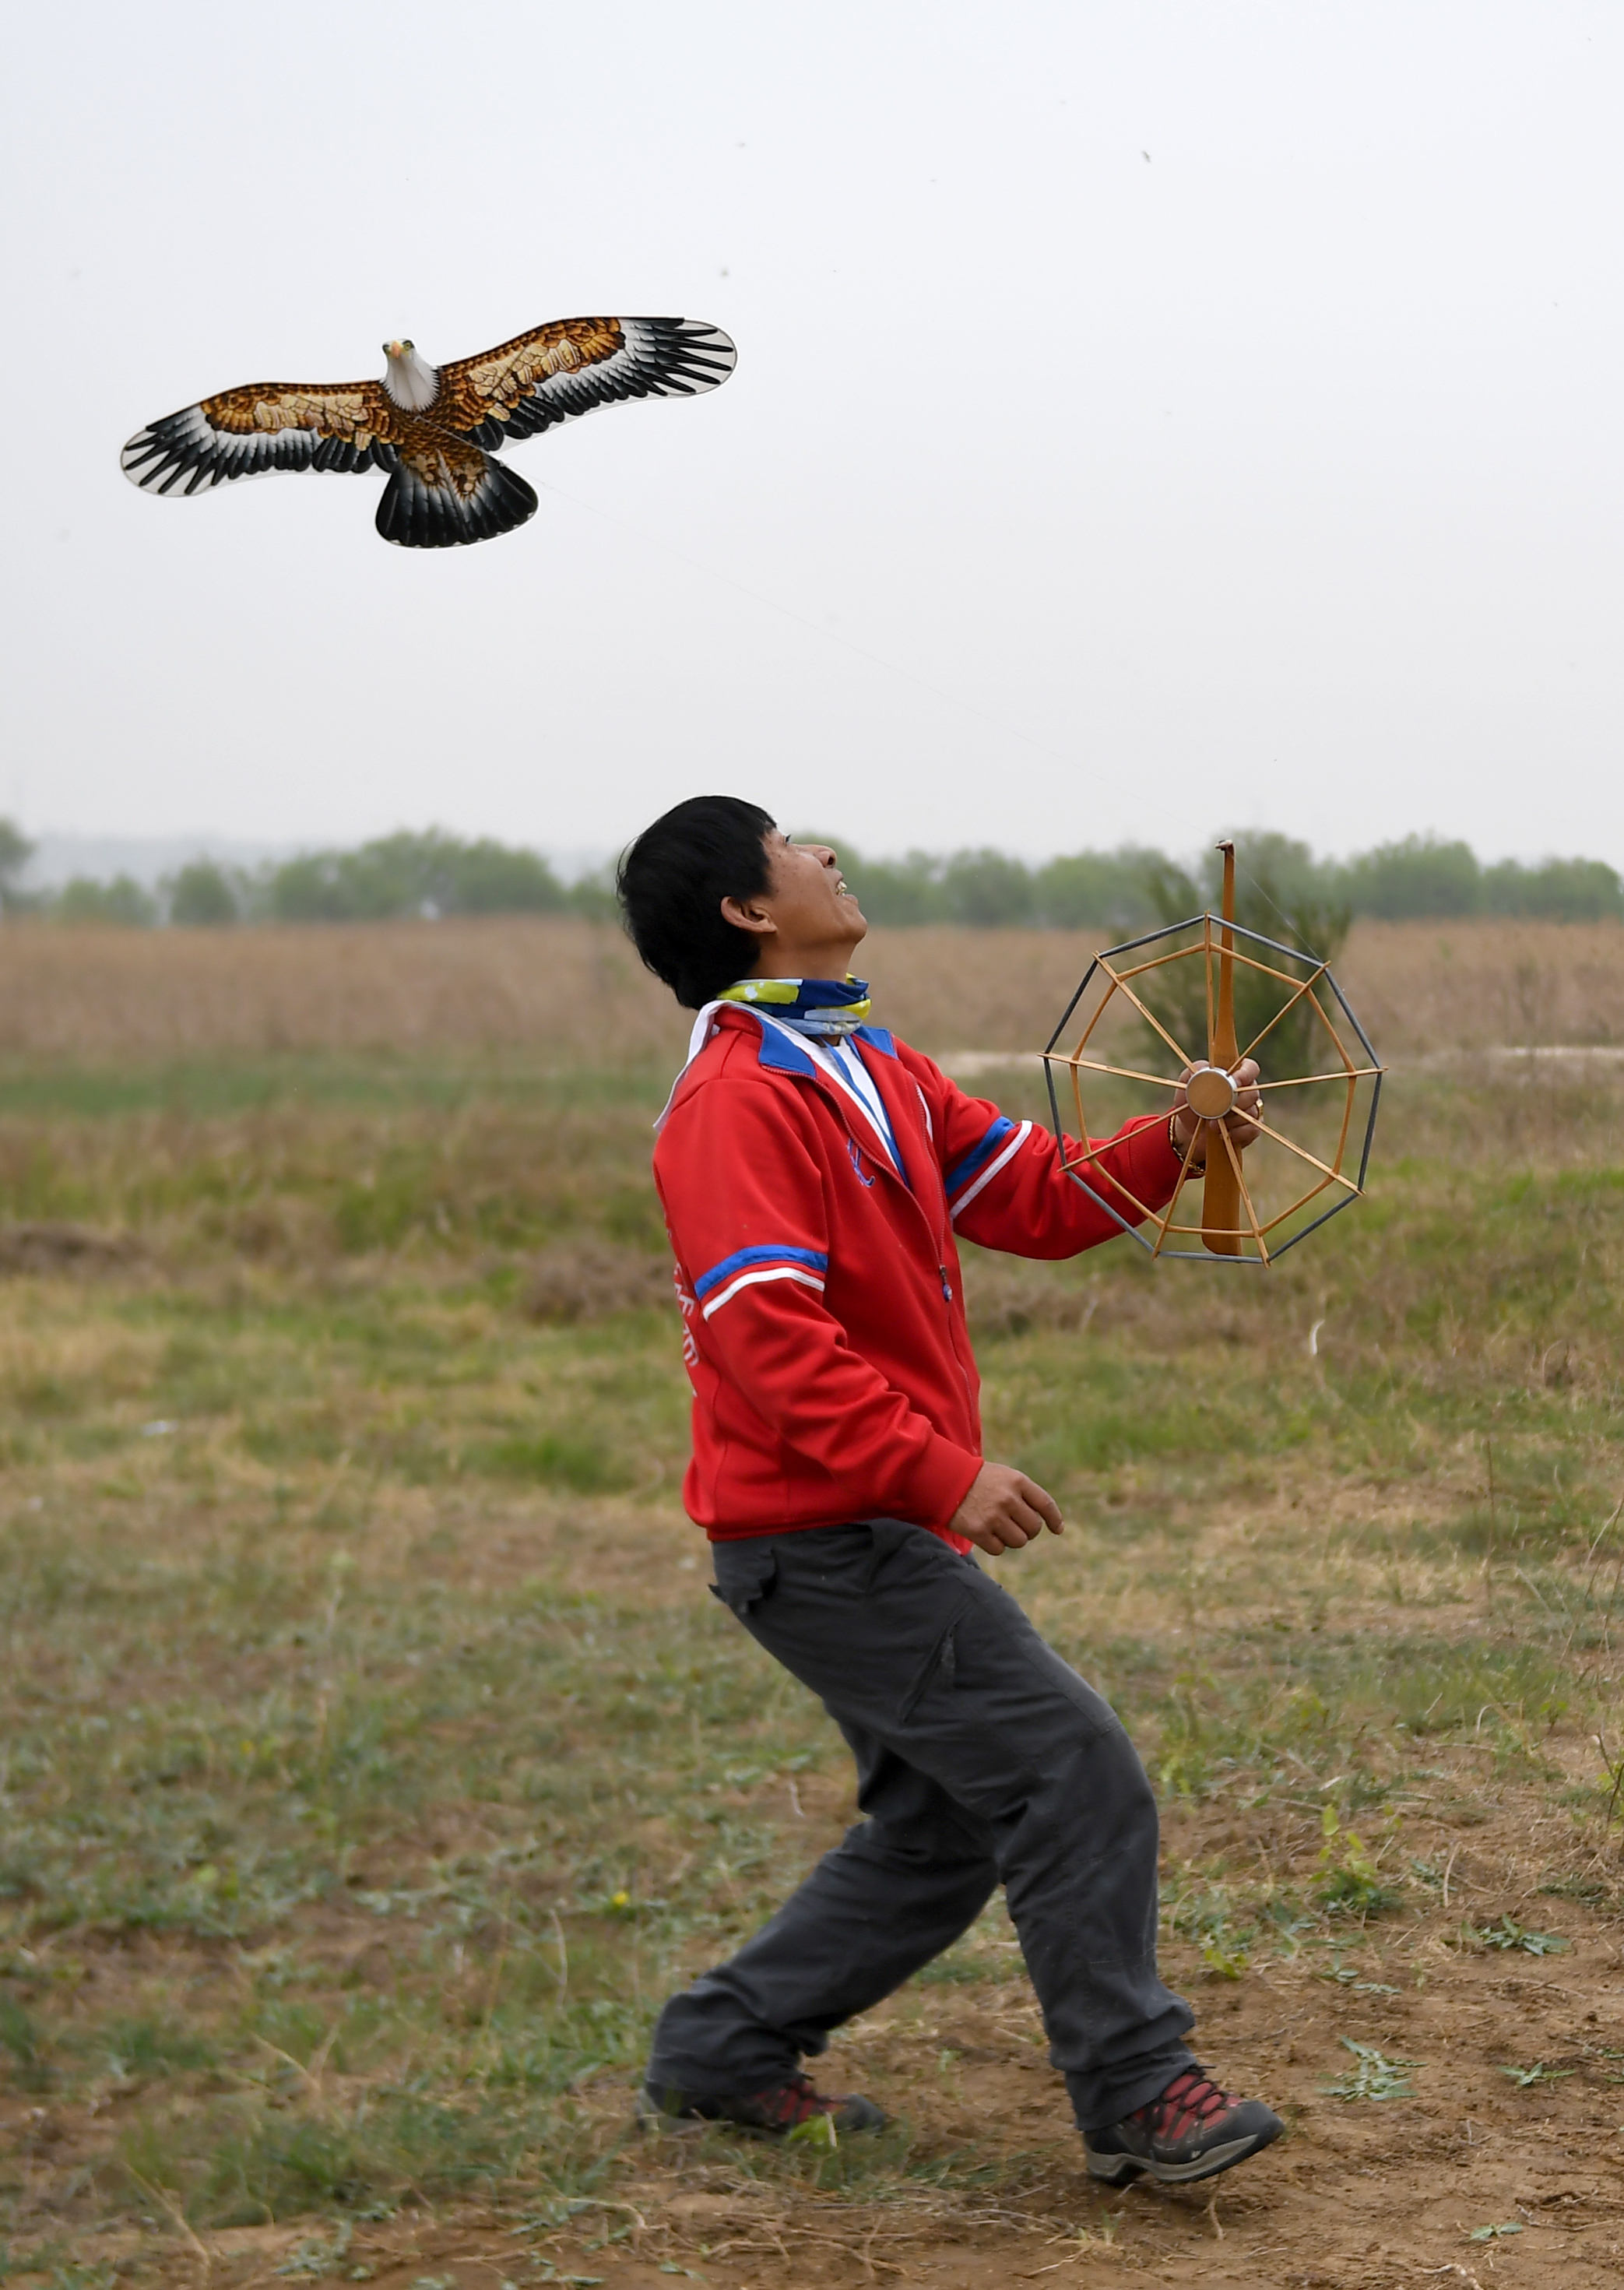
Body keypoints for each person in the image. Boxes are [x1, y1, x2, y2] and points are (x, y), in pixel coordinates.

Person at [615, 794, 1281, 2188]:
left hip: (856, 1524)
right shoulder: (736, 1102)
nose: (823, 851)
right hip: (824, 1536)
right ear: (748, 908)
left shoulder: (868, 1062)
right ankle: (1135, 2087)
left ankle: (722, 2048)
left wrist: (1180, 1136)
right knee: (1068, 1766)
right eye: (790, 844)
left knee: (939, 1827)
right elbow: (765, 1341)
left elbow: (1035, 1193)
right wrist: (938, 1470)